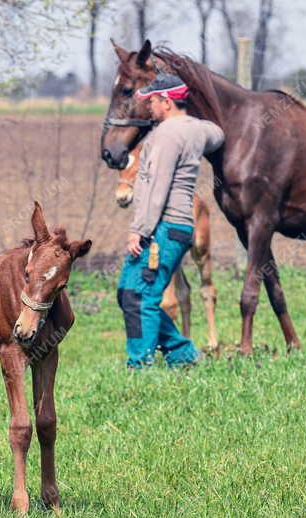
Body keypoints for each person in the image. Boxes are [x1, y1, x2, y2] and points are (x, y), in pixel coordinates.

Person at [117, 73, 224, 368]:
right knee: (128, 291)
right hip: (178, 227)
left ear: (166, 102)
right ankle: (183, 354)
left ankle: (140, 365)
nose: (148, 107)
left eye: (151, 101)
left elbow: (156, 187)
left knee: (141, 295)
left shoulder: (165, 135)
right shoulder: (197, 130)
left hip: (162, 226)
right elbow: (218, 134)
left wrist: (139, 230)